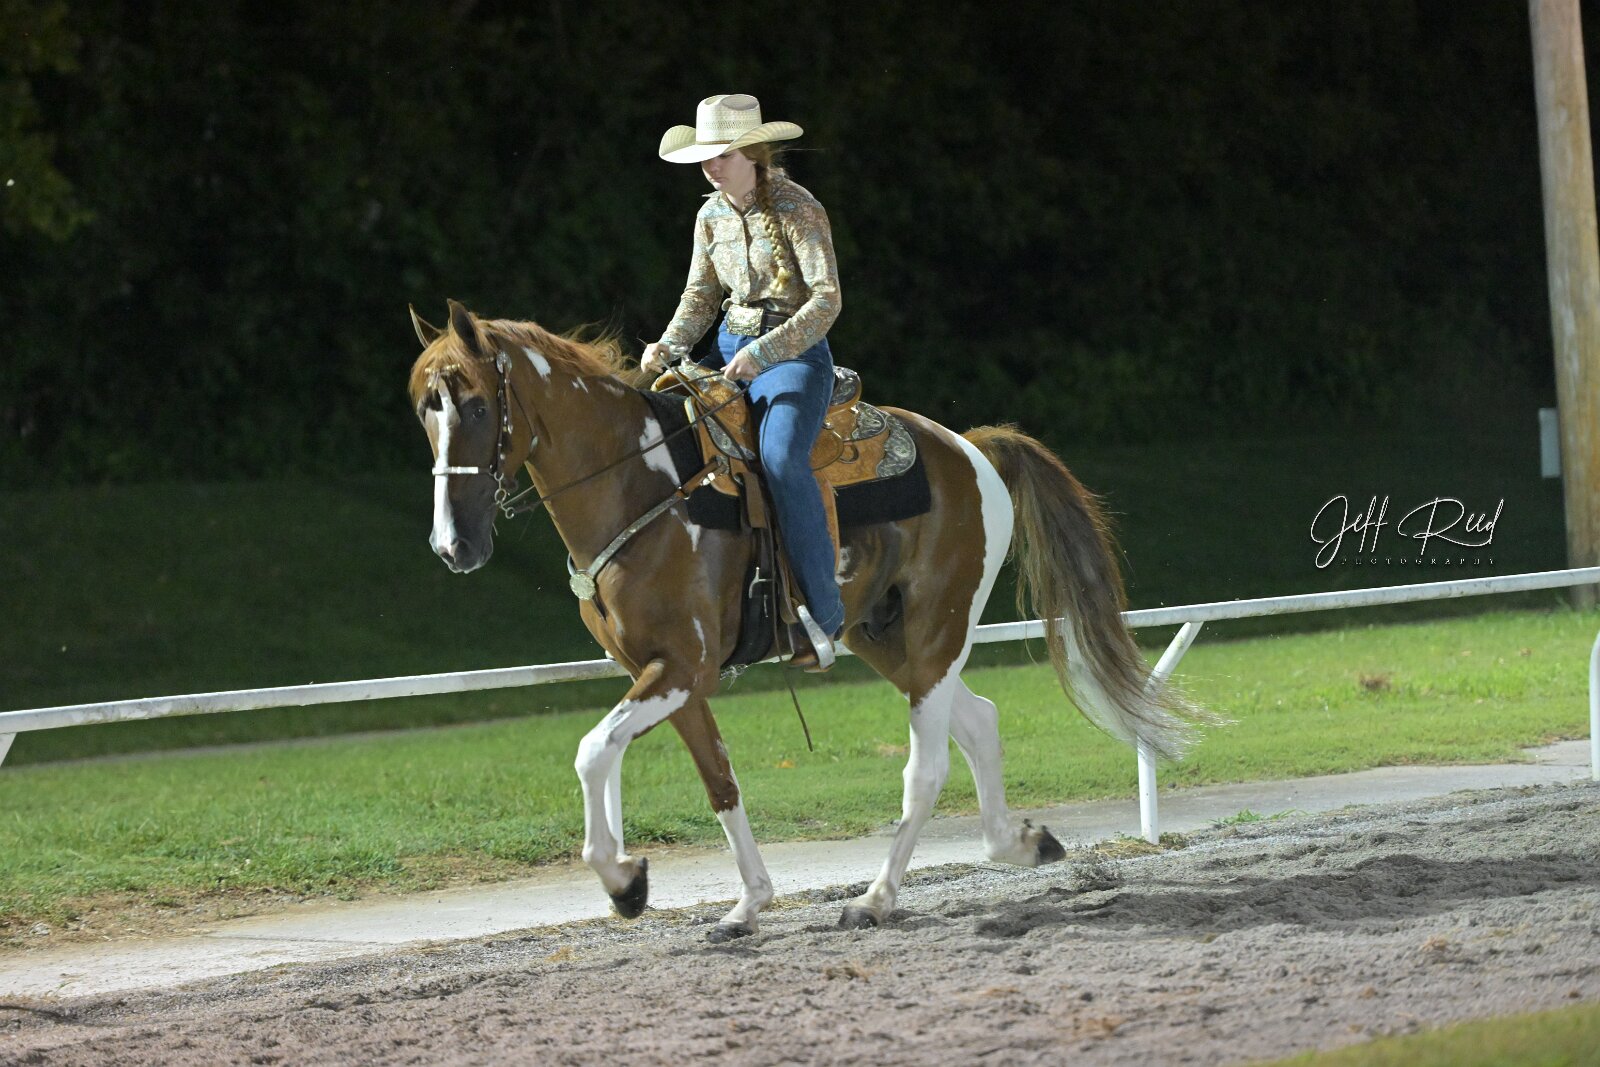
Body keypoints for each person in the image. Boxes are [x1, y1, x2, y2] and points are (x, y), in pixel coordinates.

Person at [641, 93, 845, 669]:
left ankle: (825, 618)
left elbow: (827, 301)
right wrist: (669, 346)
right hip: (728, 349)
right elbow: (701, 295)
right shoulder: (709, 215)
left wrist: (764, 352)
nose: (711, 165)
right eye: (704, 157)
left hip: (794, 355)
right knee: (663, 441)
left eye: (722, 154)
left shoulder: (799, 207)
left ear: (753, 153)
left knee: (781, 460)